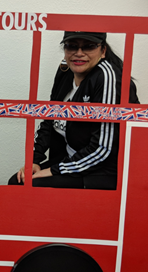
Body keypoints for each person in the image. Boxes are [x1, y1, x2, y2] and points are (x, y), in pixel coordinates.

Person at [8, 32, 139, 189]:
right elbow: (49, 118)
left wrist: (55, 170)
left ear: (103, 51)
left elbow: (103, 149)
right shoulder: (65, 70)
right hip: (71, 160)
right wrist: (34, 160)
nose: (79, 53)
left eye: (88, 46)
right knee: (18, 182)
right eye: (72, 46)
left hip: (100, 172)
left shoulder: (108, 78)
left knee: (31, 186)